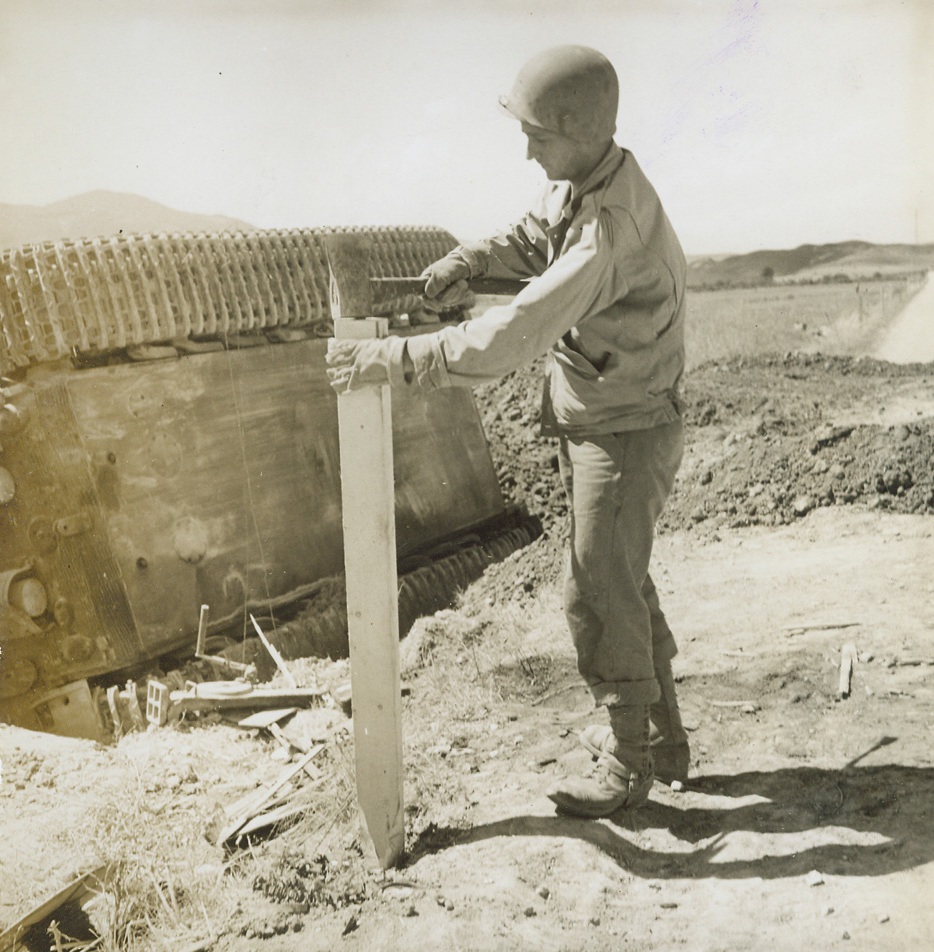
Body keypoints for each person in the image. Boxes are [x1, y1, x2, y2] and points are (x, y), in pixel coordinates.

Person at [326, 44, 690, 818]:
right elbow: (531, 241)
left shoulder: (610, 230)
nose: (525, 148)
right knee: (621, 577)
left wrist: (394, 359)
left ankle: (629, 764)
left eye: (536, 133)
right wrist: (470, 259)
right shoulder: (588, 181)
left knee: (595, 587)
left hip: (624, 433)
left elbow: (515, 335)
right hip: (603, 419)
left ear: (575, 127)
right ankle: (665, 741)